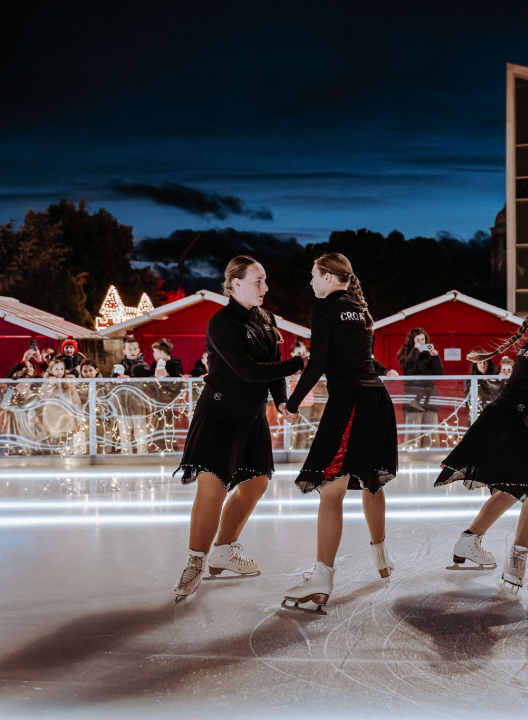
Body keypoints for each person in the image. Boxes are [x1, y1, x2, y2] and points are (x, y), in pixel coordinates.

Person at [170, 256, 306, 603]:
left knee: (256, 482)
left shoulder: (265, 319)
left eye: (265, 281)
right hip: (219, 414)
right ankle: (195, 562)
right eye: (258, 281)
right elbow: (248, 370)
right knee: (213, 487)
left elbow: (273, 369)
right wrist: (298, 363)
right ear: (235, 284)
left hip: (251, 415)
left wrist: (281, 402)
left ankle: (224, 550)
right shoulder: (222, 323)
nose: (265, 287)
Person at [435, 291, 528, 593]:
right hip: (506, 423)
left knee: (514, 487)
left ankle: (468, 540)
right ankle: (517, 558)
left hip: (500, 421)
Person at [280, 253, 398, 613]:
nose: (311, 282)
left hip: (350, 403)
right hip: (377, 399)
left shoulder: (325, 307)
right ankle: (381, 555)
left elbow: (318, 363)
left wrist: (292, 402)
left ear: (330, 277)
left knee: (331, 488)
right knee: (369, 480)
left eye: (314, 276)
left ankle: (321, 577)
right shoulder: (361, 309)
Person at [397, 327, 443, 448]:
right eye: (418, 340)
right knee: (413, 435)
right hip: (413, 399)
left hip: (429, 398)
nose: (422, 343)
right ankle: (413, 461)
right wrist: (415, 349)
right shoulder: (405, 354)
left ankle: (431, 460)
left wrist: (435, 356)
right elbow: (408, 370)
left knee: (431, 432)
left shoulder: (428, 356)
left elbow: (439, 374)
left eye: (423, 339)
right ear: (412, 341)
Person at [111, 336, 152, 455]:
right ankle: (126, 458)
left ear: (138, 350)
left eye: (135, 349)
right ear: (124, 350)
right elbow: (110, 384)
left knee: (141, 433)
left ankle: (142, 456)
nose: (132, 351)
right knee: (124, 435)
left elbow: (145, 381)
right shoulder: (117, 366)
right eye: (130, 349)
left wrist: (130, 379)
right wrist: (115, 379)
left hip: (138, 404)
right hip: (121, 405)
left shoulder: (143, 366)